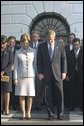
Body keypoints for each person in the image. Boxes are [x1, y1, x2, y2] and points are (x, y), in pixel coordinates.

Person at [37, 29, 67, 120]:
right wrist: (40, 73)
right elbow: (39, 61)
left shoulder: (60, 45)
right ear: (46, 37)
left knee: (59, 94)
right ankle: (50, 113)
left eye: (52, 38)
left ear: (54, 37)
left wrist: (64, 72)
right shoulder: (41, 46)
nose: (50, 40)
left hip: (58, 74)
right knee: (48, 95)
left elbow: (63, 59)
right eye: (49, 39)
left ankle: (60, 113)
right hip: (46, 74)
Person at [13, 33, 36, 119]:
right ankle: (23, 112)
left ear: (29, 42)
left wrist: (37, 75)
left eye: (26, 42)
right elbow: (15, 66)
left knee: (30, 95)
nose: (24, 44)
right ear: (20, 43)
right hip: (20, 76)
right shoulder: (17, 52)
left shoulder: (34, 51)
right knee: (21, 95)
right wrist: (15, 78)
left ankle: (28, 112)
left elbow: (35, 64)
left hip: (30, 76)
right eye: (22, 42)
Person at [30, 31, 44, 110]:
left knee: (39, 88)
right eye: (33, 36)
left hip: (39, 70)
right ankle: (32, 104)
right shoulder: (28, 45)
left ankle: (38, 103)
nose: (34, 38)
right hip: (30, 70)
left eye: (36, 36)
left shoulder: (42, 46)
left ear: (38, 37)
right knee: (32, 87)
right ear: (31, 37)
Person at [1, 35, 13, 115]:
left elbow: (11, 63)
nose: (2, 45)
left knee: (6, 92)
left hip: (6, 74)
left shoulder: (9, 50)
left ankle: (7, 108)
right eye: (1, 43)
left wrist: (3, 71)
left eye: (3, 43)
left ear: (6, 43)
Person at [7, 36, 20, 110]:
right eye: (10, 42)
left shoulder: (17, 50)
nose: (11, 43)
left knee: (15, 88)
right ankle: (8, 104)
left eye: (13, 42)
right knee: (8, 89)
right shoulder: (5, 49)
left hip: (16, 72)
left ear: (15, 43)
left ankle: (15, 105)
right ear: (8, 42)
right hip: (7, 72)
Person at [64, 33, 76, 109]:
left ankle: (76, 104)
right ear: (68, 39)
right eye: (70, 38)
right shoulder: (65, 48)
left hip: (77, 72)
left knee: (76, 89)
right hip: (68, 72)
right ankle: (68, 104)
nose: (71, 39)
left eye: (72, 38)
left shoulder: (79, 47)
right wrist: (66, 73)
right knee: (68, 89)